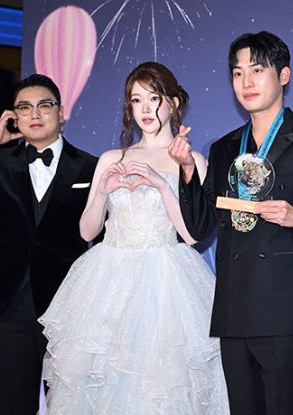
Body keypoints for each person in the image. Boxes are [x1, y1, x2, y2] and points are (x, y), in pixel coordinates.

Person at [38, 62, 229, 414]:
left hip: (166, 283)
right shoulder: (113, 158)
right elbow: (86, 231)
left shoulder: (192, 160)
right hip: (107, 281)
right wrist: (101, 192)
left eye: (153, 98)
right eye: (136, 100)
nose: (145, 109)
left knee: (159, 382)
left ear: (173, 103)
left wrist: (161, 184)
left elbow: (192, 235)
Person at [170, 32, 293, 414]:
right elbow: (200, 227)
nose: (246, 82)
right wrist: (188, 171)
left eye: (257, 70)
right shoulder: (225, 147)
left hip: (284, 308)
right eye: (238, 73)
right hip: (234, 307)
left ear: (284, 75)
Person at [0, 74, 99, 414]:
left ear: (62, 112)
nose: (35, 114)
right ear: (14, 116)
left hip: (68, 304)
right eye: (24, 108)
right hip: (9, 300)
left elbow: (101, 238)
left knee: (69, 403)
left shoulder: (91, 166)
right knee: (16, 404)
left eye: (44, 105)